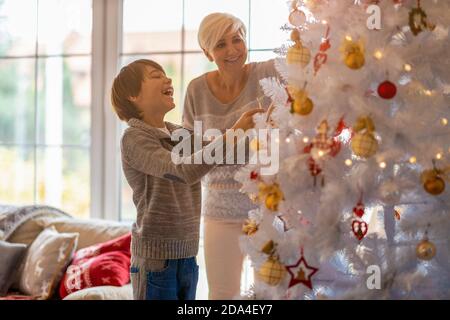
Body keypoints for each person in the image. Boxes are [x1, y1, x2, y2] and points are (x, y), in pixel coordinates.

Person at [110, 59, 263, 300]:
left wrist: (270, 132)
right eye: (155, 76)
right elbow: (182, 170)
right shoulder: (134, 139)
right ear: (133, 96)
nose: (167, 79)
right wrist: (235, 131)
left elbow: (223, 153)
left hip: (187, 256)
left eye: (164, 75)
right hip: (156, 262)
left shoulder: (177, 133)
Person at [183, 12, 280, 300]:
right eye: (221, 45)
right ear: (207, 52)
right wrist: (236, 131)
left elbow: (312, 73)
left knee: (271, 294)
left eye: (237, 40)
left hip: (268, 210)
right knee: (222, 295)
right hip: (219, 213)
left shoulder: (269, 74)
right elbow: (190, 161)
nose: (232, 50)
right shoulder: (196, 91)